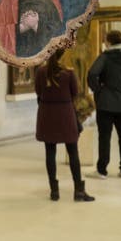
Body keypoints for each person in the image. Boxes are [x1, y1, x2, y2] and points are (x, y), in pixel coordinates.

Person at [35, 50, 94, 202]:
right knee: (73, 152)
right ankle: (79, 191)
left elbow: (38, 92)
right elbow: (75, 93)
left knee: (50, 152)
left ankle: (54, 191)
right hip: (65, 114)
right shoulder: (68, 73)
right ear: (62, 55)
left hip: (47, 114)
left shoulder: (41, 72)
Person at [87, 30, 121, 179]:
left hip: (105, 104)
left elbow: (92, 73)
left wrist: (98, 91)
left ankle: (102, 171)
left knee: (104, 137)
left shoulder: (105, 57)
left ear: (109, 42)